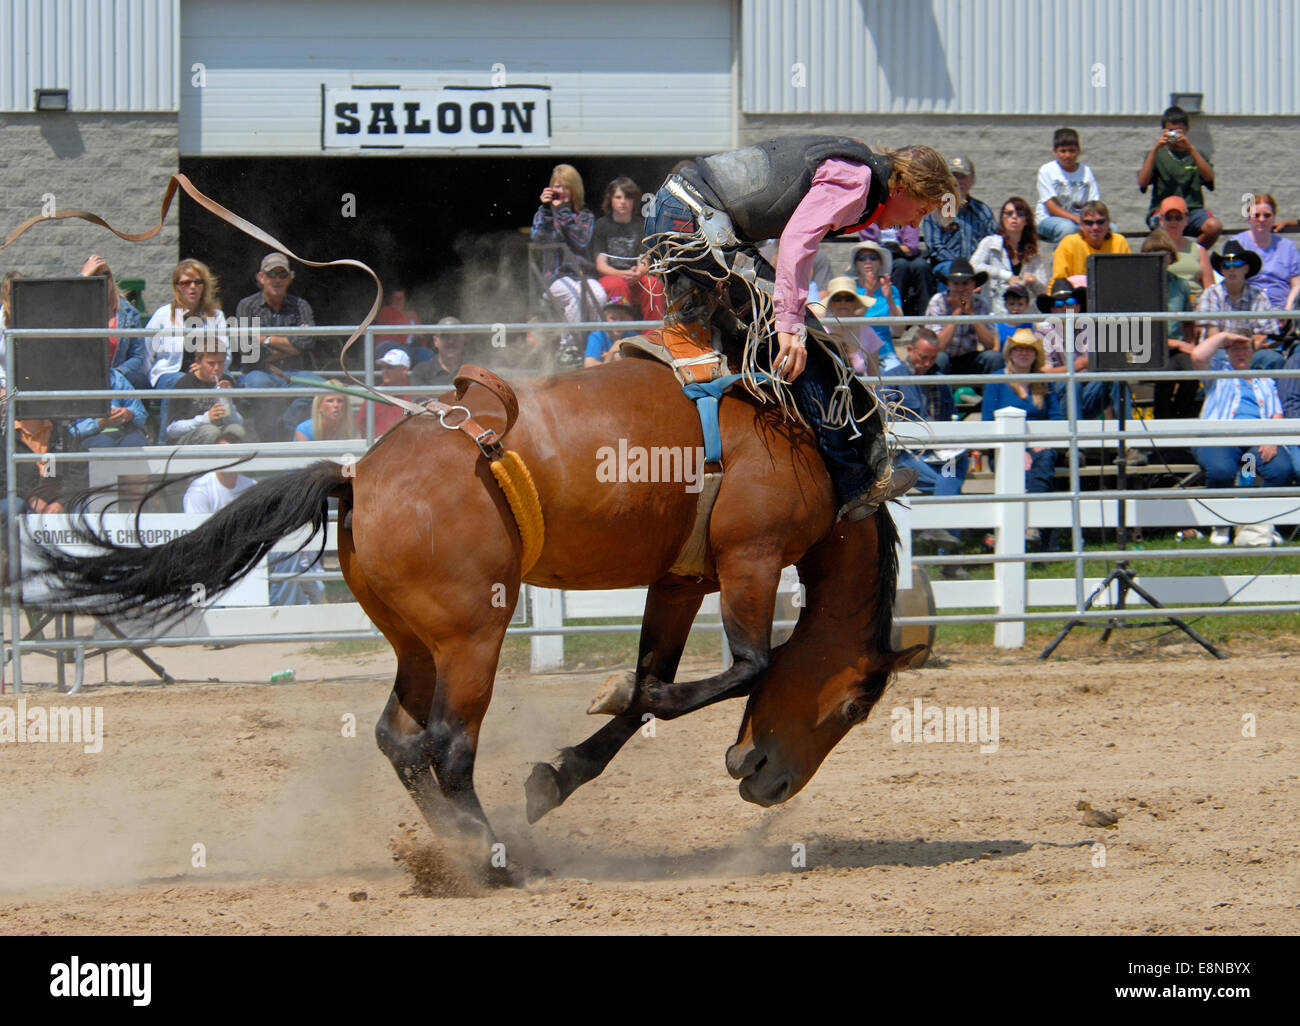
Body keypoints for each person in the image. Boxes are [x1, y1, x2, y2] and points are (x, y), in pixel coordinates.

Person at [642, 134, 956, 518]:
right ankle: (853, 482)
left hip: (678, 212)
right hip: (696, 224)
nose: (915, 222)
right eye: (920, 210)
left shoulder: (855, 170)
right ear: (903, 188)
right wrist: (790, 324)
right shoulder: (855, 181)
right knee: (812, 349)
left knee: (752, 337)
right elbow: (797, 240)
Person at [183, 442, 321, 605]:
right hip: (217, 557)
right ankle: (290, 609)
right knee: (310, 591)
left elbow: (267, 525)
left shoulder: (250, 486)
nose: (230, 461)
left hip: (249, 550)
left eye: (234, 455)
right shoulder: (200, 490)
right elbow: (201, 541)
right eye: (224, 455)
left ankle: (282, 612)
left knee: (287, 552)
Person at [1191, 329, 1293, 544]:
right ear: (1226, 352)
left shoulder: (1264, 381)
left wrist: (1271, 439)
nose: (1240, 353)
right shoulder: (1217, 373)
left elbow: (1276, 413)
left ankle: (1260, 523)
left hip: (1253, 446)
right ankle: (1221, 523)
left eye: (1244, 348)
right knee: (1222, 470)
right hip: (1220, 439)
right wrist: (1224, 337)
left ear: (1252, 352)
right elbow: (1198, 356)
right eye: (1234, 348)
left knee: (1280, 470)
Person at [982, 328, 1063, 547]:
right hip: (1005, 448)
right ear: (1010, 353)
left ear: (1036, 355)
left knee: (1044, 460)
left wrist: (1040, 443)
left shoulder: (1043, 381)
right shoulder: (997, 380)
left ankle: (1031, 525)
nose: (1023, 354)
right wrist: (1017, 449)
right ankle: (1030, 527)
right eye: (1018, 349)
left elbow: (1056, 418)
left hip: (1040, 447)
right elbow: (987, 421)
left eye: (1029, 349)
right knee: (1020, 464)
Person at [234, 252, 325, 443]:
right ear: (261, 278)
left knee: (322, 387)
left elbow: (308, 343)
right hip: (259, 371)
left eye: (282, 275)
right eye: (271, 275)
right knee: (259, 385)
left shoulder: (301, 305)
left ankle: (287, 429)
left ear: (290, 278)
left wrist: (265, 339)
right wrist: (292, 344)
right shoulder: (246, 306)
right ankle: (268, 440)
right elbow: (248, 350)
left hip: (295, 372)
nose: (277, 280)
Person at [531, 163, 607, 362]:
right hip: (554, 277)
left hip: (582, 274)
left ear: (575, 190)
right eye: (557, 186)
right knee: (576, 296)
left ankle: (596, 345)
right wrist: (548, 210)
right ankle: (570, 349)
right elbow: (539, 239)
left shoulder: (585, 215)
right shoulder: (543, 214)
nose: (561, 191)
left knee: (598, 295)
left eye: (566, 187)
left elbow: (581, 240)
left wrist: (563, 212)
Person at [1034, 277, 1119, 420]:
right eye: (1059, 303)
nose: (1065, 308)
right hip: (1058, 394)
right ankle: (1075, 437)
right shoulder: (1043, 333)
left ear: (1078, 307)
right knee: (1072, 384)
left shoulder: (1091, 328)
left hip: (1089, 388)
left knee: (1117, 379)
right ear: (1052, 309)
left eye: (1070, 302)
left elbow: (1104, 362)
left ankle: (1127, 433)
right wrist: (1079, 365)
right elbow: (1044, 372)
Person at [1137, 105, 1221, 248]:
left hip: (1192, 211)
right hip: (1163, 211)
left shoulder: (1196, 154)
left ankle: (1193, 254)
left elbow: (1209, 178)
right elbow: (1142, 182)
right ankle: (1172, 258)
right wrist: (1156, 148)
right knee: (1162, 230)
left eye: (1178, 132)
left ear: (1187, 130)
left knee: (1214, 226)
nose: (1174, 136)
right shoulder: (1157, 155)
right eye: (1170, 132)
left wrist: (1190, 148)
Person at [1141, 230, 1201, 419]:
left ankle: (1180, 420)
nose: (1159, 258)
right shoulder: (1139, 285)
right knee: (1166, 373)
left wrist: (1190, 345)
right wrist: (1179, 344)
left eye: (1163, 253)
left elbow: (1188, 322)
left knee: (1192, 374)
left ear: (1171, 257)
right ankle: (1161, 423)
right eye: (1153, 253)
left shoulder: (1180, 285)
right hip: (1148, 347)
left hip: (1177, 347)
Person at [1196, 240, 1279, 370]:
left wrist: (1243, 353)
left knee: (1274, 359)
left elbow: (1261, 336)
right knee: (1219, 357)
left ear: (1246, 268)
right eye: (1226, 264)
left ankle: (1268, 390)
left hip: (1250, 351)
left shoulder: (1258, 296)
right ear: (1222, 270)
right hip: (1220, 351)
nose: (1232, 269)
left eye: (1237, 263)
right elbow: (1213, 335)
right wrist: (1237, 350)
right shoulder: (1211, 294)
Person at [591, 175, 665, 321]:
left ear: (634, 201)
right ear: (610, 199)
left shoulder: (641, 225)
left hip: (635, 277)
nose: (623, 202)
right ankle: (623, 333)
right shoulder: (601, 225)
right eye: (618, 197)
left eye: (628, 198)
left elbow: (644, 260)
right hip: (611, 278)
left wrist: (638, 272)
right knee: (618, 285)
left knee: (654, 284)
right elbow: (601, 265)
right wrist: (621, 274)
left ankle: (653, 334)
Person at [921, 155, 996, 292]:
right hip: (947, 268)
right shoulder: (935, 209)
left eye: (963, 176)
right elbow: (935, 247)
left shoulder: (983, 211)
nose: (958, 181)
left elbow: (993, 242)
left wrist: (975, 267)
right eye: (954, 176)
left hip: (978, 267)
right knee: (953, 271)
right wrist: (963, 267)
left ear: (972, 179)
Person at [79, 254, 149, 390]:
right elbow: (63, 301)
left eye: (106, 275)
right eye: (95, 276)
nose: (103, 280)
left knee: (140, 381)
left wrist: (116, 374)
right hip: (84, 377)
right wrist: (82, 277)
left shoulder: (129, 312)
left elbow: (137, 356)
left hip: (118, 377)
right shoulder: (77, 309)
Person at [924, 258, 1002, 377]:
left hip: (969, 358)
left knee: (993, 358)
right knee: (940, 357)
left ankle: (988, 395)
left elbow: (990, 344)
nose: (960, 289)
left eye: (965, 283)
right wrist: (958, 311)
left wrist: (970, 313)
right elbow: (938, 346)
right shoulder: (937, 301)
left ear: (973, 285)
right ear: (948, 284)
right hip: (945, 358)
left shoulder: (981, 303)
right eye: (956, 283)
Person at [971, 196, 1049, 313]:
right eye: (1009, 213)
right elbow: (973, 265)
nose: (1014, 217)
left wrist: (1034, 280)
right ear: (1002, 218)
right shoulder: (990, 242)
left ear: (1026, 220)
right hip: (993, 312)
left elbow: (1042, 290)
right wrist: (1006, 276)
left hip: (1022, 314)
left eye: (1019, 213)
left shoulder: (1032, 252)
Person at [163, 339, 247, 445]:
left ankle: (223, 454)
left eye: (221, 363)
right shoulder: (184, 384)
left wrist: (228, 401)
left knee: (237, 430)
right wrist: (206, 419)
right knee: (210, 431)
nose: (216, 368)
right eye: (211, 363)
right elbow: (172, 430)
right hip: (188, 438)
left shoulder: (226, 381)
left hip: (218, 432)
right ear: (198, 361)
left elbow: (238, 422)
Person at [1232, 194, 1300, 315]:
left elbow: (1297, 285)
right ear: (1248, 217)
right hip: (1248, 310)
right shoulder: (1236, 244)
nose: (1261, 219)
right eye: (1256, 215)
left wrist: (1288, 311)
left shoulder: (1288, 247)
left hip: (1282, 310)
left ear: (1274, 218)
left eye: (1267, 215)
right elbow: (1231, 282)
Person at [1035, 127, 1101, 243]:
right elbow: (1051, 207)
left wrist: (1090, 221)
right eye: (1063, 151)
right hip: (1049, 220)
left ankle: (1096, 260)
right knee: (1067, 228)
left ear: (1078, 151)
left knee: (1111, 229)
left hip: (1082, 220)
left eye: (1071, 151)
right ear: (1055, 152)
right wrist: (1077, 219)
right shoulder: (1047, 170)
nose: (1067, 155)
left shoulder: (1086, 171)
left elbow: (1094, 204)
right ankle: (1060, 260)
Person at [1050, 200, 1132, 283]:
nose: (1095, 227)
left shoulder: (1119, 242)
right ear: (1081, 225)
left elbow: (1128, 276)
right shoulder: (1068, 243)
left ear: (1108, 223)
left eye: (1100, 222)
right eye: (1089, 223)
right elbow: (1058, 281)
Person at [68, 367, 148, 448]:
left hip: (125, 429)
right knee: (105, 445)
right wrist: (99, 423)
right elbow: (71, 430)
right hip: (93, 435)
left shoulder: (116, 377)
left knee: (137, 443)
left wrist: (130, 415)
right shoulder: (72, 380)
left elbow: (141, 414)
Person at [1151, 196, 1212, 301]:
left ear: (1186, 220)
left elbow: (1210, 289)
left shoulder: (1199, 250)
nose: (1173, 221)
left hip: (1197, 304)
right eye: (1168, 217)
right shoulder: (1153, 250)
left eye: (1178, 217)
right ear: (1161, 220)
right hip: (1168, 303)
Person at [356, 348, 413, 438]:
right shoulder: (374, 394)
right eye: (382, 367)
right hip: (377, 445)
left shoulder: (414, 395)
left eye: (390, 367)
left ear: (404, 369)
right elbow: (361, 424)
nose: (384, 371)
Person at [374, 284, 434, 363]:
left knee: (427, 354)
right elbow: (394, 331)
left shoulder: (412, 314)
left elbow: (421, 336)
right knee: (399, 352)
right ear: (390, 299)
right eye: (395, 298)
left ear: (405, 300)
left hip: (411, 348)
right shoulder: (385, 311)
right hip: (391, 346)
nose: (398, 301)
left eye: (401, 298)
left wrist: (419, 339)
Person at [411, 316, 468, 390]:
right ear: (435, 341)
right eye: (445, 336)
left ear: (463, 340)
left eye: (456, 336)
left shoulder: (475, 371)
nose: (451, 341)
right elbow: (419, 400)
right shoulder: (421, 371)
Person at [583, 296, 639, 367]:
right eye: (612, 318)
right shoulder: (597, 336)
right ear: (605, 318)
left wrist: (611, 358)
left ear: (628, 319)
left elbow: (638, 364)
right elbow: (588, 365)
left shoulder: (632, 336)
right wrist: (611, 353)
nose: (618, 323)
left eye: (622, 318)